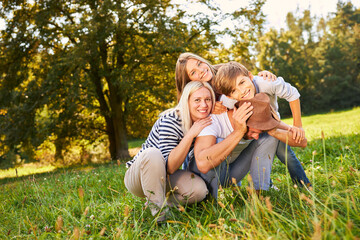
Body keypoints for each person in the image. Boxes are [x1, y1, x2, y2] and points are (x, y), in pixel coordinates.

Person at [175, 52, 310, 187]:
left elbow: (242, 74)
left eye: (199, 64)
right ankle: (227, 185)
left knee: (282, 150)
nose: (201, 71)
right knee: (228, 142)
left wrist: (295, 126)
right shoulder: (202, 100)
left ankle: (299, 183)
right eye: (193, 72)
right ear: (189, 82)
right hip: (230, 136)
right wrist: (209, 106)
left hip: (268, 120)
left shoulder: (224, 72)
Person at [124, 81, 214, 223]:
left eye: (208, 99)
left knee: (199, 191)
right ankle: (160, 216)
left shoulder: (205, 122)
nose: (204, 105)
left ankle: (158, 202)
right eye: (197, 100)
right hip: (140, 177)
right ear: (187, 102)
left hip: (164, 178)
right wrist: (190, 135)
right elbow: (170, 167)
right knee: (152, 153)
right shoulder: (171, 120)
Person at [190, 92, 307, 198]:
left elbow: (302, 142)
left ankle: (258, 193)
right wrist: (238, 132)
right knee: (218, 143)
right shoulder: (213, 122)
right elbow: (203, 165)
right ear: (242, 120)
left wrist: (273, 130)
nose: (256, 136)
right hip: (201, 178)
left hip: (230, 174)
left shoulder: (260, 115)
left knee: (269, 137)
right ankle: (210, 201)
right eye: (253, 132)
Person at [213, 61, 310, 186]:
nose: (242, 91)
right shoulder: (228, 100)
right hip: (252, 128)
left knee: (286, 154)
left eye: (242, 82)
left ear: (250, 76)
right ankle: (266, 184)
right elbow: (220, 112)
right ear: (230, 96)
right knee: (259, 151)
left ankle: (304, 184)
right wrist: (214, 107)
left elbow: (293, 94)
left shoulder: (266, 83)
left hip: (271, 121)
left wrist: (297, 126)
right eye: (234, 90)